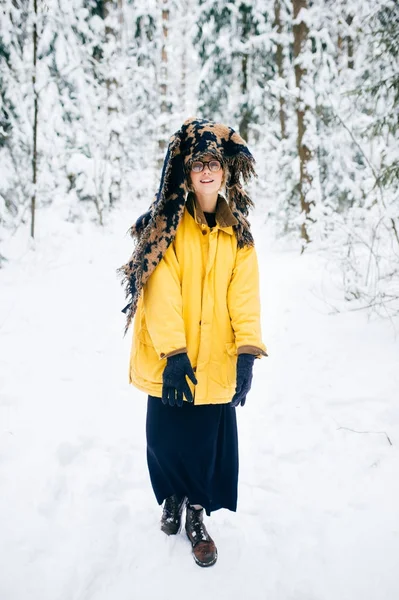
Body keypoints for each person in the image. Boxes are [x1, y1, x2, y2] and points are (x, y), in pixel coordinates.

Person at [118, 117, 267, 568]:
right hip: (172, 356)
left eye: (214, 164)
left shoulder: (238, 233)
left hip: (216, 358)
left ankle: (197, 515)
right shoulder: (165, 225)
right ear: (187, 172)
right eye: (198, 163)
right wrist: (174, 353)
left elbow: (245, 296)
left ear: (225, 174)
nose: (206, 171)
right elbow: (160, 290)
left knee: (206, 444)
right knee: (164, 438)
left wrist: (247, 354)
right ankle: (172, 498)